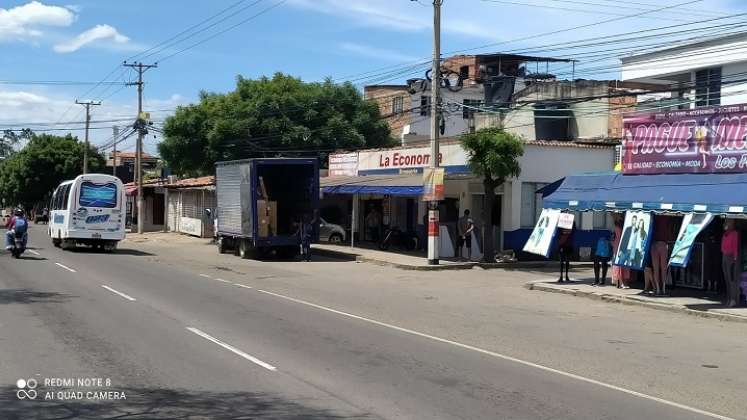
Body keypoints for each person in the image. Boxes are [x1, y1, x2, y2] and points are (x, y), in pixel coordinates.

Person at [721, 219, 740, 308]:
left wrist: (735, 259)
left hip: (731, 257)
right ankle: (729, 298)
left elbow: (735, 246)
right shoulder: (725, 234)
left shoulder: (734, 233)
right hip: (724, 256)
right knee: (727, 279)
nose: (726, 224)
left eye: (727, 223)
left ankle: (733, 299)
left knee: (732, 280)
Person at [611, 217, 631, 288]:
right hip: (622, 247)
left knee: (618, 265)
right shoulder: (625, 229)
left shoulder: (615, 229)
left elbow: (612, 239)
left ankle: (618, 283)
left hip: (617, 247)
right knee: (623, 265)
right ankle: (622, 283)